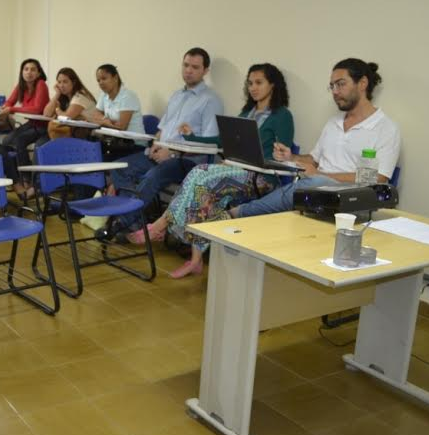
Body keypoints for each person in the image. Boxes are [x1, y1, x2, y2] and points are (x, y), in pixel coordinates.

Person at [141, 63, 295, 279]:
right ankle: (195, 259)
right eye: (250, 83)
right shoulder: (247, 113)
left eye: (259, 83)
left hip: (263, 178)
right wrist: (192, 136)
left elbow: (283, 154)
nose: (253, 88)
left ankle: (162, 224)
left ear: (273, 85)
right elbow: (221, 141)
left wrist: (278, 155)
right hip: (237, 172)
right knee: (203, 191)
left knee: (200, 174)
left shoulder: (282, 116)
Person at [230, 58, 400, 219]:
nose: (335, 92)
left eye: (341, 84)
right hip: (316, 189)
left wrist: (320, 174)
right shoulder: (333, 123)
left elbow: (379, 179)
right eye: (332, 86)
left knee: (314, 182)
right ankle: (237, 215)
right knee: (311, 184)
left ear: (362, 83)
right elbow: (313, 159)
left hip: (350, 196)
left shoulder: (385, 128)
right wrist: (291, 157)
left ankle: (238, 213)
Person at [108, 48, 224, 234]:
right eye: (186, 65)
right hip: (161, 153)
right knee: (119, 167)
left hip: (187, 161)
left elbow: (209, 145)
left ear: (205, 71)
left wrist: (172, 153)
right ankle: (134, 222)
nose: (189, 70)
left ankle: (121, 223)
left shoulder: (210, 100)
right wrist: (156, 144)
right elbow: (162, 129)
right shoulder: (177, 95)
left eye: (195, 67)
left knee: (152, 176)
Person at [0, 58, 49, 197]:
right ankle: (16, 178)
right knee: (6, 141)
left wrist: (11, 109)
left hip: (43, 126)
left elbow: (37, 109)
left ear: (39, 73)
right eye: (26, 69)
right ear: (22, 72)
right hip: (31, 124)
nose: (29, 72)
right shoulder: (21, 85)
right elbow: (9, 102)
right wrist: (4, 108)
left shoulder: (41, 84)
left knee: (19, 140)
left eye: (33, 69)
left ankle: (27, 180)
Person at [86, 63, 146, 160]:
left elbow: (121, 126)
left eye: (104, 78)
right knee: (90, 152)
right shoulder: (104, 95)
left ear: (115, 78)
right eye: (98, 80)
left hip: (134, 145)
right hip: (114, 143)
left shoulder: (128, 96)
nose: (101, 83)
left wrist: (104, 122)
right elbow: (95, 114)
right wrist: (106, 121)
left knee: (98, 158)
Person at [42, 67, 97, 138]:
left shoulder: (80, 96)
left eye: (65, 82)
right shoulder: (64, 96)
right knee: (42, 142)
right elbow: (46, 114)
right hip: (72, 133)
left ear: (74, 82)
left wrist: (57, 109)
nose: (61, 85)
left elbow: (66, 117)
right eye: (59, 82)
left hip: (88, 136)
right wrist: (57, 94)